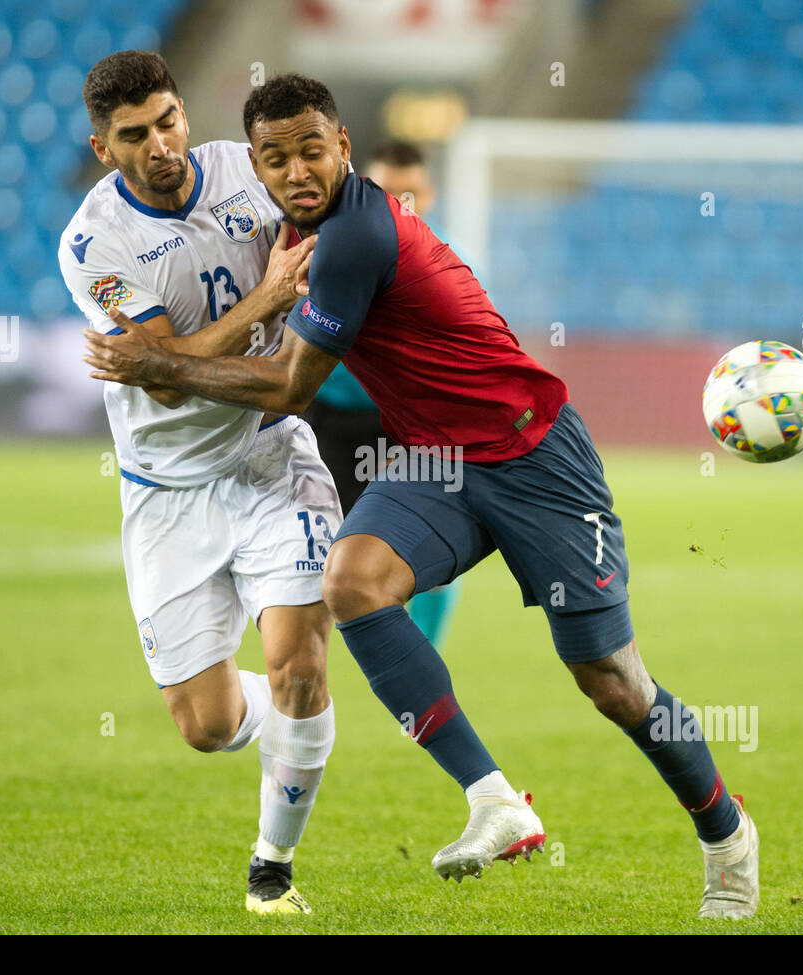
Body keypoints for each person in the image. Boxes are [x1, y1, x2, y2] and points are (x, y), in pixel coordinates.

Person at [82, 73, 759, 919]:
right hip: (438, 460)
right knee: (352, 582)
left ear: (345, 149)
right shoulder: (288, 229)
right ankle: (493, 801)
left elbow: (292, 388)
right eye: (276, 159)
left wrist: (162, 366)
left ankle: (726, 834)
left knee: (611, 682)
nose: (296, 172)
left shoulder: (355, 235)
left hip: (535, 455)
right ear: (255, 167)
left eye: (311, 151)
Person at [59, 52, 342, 915]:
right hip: (166, 488)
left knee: (298, 662)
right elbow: (167, 374)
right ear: (104, 148)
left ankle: (272, 869)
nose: (163, 144)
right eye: (136, 135)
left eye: (170, 119)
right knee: (208, 726)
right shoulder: (92, 243)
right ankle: (296, 722)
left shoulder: (242, 168)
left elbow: (327, 201)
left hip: (270, 453)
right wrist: (262, 303)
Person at [300, 139, 461, 651]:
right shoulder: (325, 251)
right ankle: (305, 675)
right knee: (318, 557)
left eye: (409, 194)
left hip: (411, 425)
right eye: (388, 192)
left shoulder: (452, 267)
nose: (399, 205)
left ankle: (424, 673)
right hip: (329, 420)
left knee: (434, 548)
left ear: (429, 195)